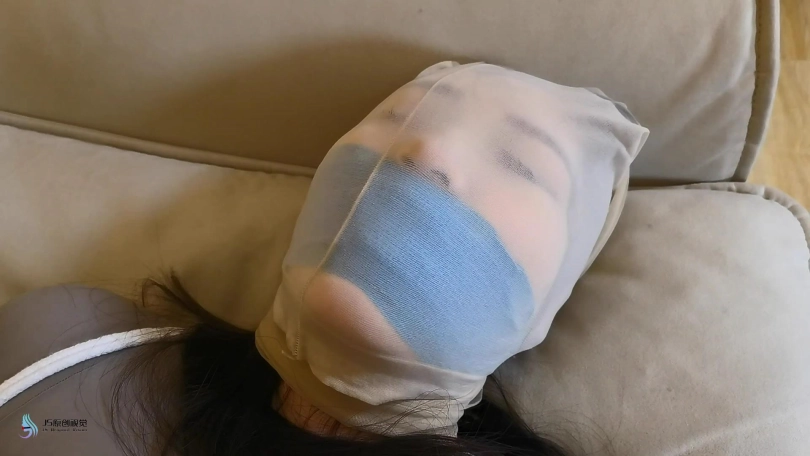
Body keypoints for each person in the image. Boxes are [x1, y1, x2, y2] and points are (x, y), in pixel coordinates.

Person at [1, 61, 648, 455]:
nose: (425, 153)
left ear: (548, 306)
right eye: (403, 117)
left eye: (519, 164)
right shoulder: (70, 346)